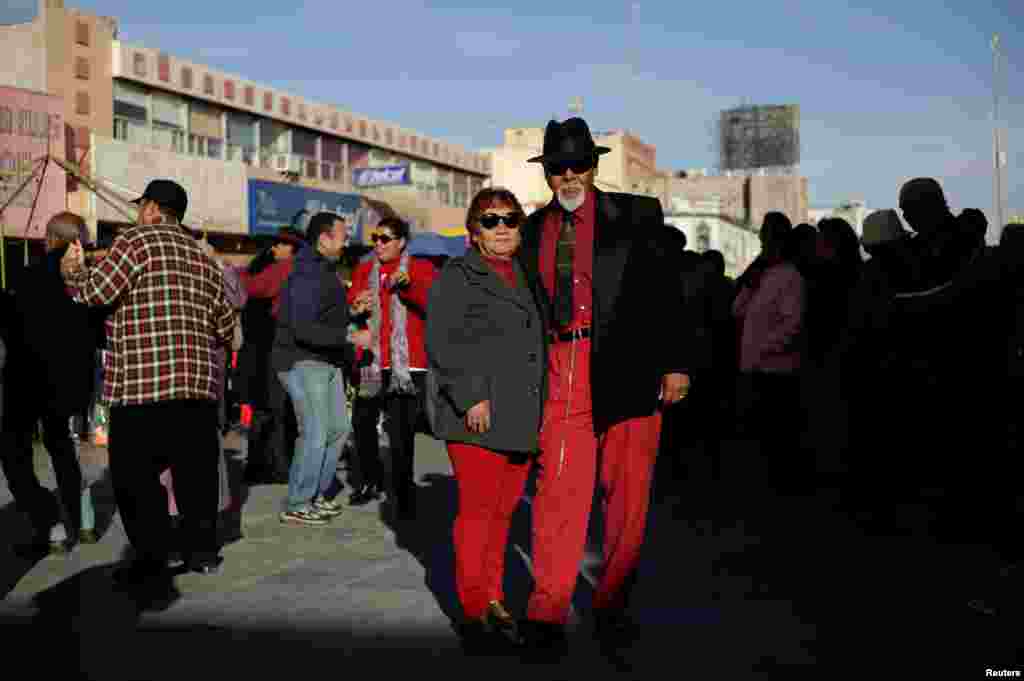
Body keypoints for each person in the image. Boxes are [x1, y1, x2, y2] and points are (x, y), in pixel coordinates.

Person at [515, 117, 697, 663]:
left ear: (594, 167)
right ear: (547, 172)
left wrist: (677, 363)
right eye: (557, 167)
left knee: (628, 496)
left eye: (578, 165)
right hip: (563, 365)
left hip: (630, 364)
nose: (568, 176)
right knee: (557, 494)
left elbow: (670, 292)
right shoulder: (531, 229)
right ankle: (547, 610)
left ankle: (613, 607)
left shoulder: (639, 216)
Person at [61, 179, 236, 584]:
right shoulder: (201, 255)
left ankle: (153, 555)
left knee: (135, 479)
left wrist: (74, 273)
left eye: (142, 207)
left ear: (154, 209)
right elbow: (225, 323)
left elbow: (98, 292)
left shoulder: (135, 242)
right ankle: (202, 552)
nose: (139, 213)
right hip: (195, 386)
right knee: (196, 475)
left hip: (142, 386)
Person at [425, 187, 548, 655]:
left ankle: (494, 598)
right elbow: (444, 339)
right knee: (477, 515)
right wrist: (470, 395)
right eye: (490, 220)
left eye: (510, 220)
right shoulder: (458, 274)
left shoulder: (526, 273)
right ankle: (475, 608)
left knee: (502, 515)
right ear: (474, 231)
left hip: (522, 414)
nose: (501, 229)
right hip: (477, 415)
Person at [1, 212, 103, 553]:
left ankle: (49, 518)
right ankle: (76, 522)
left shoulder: (30, 277)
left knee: (16, 455)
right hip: (69, 386)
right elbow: (97, 335)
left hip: (26, 381)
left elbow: (12, 326)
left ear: (50, 238)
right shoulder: (89, 284)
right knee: (63, 449)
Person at [347, 217, 438, 519]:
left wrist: (409, 286)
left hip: (406, 367)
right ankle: (370, 480)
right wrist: (356, 308)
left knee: (401, 434)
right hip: (372, 363)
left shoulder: (420, 269)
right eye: (375, 238)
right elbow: (353, 306)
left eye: (385, 238)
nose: (378, 244)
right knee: (362, 421)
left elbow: (433, 305)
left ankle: (402, 494)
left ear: (401, 242)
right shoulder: (364, 270)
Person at [272, 212, 357, 526]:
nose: (345, 241)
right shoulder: (308, 271)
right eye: (342, 235)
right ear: (324, 238)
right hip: (303, 360)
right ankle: (297, 501)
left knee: (337, 430)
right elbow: (304, 327)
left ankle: (315, 495)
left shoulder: (323, 269)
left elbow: (323, 315)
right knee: (316, 432)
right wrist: (347, 335)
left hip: (326, 359)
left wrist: (350, 311)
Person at [731, 211, 807, 493]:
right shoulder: (763, 275)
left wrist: (763, 350)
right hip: (753, 371)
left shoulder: (790, 276)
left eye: (768, 233)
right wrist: (749, 285)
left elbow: (792, 323)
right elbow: (736, 311)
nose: (763, 238)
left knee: (775, 439)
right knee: (754, 436)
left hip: (777, 374)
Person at [238, 227, 304, 484]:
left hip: (267, 351)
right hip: (268, 351)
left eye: (280, 244)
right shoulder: (277, 268)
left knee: (269, 410)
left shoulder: (284, 269)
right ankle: (275, 466)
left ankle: (262, 466)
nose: (274, 248)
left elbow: (253, 287)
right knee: (276, 410)